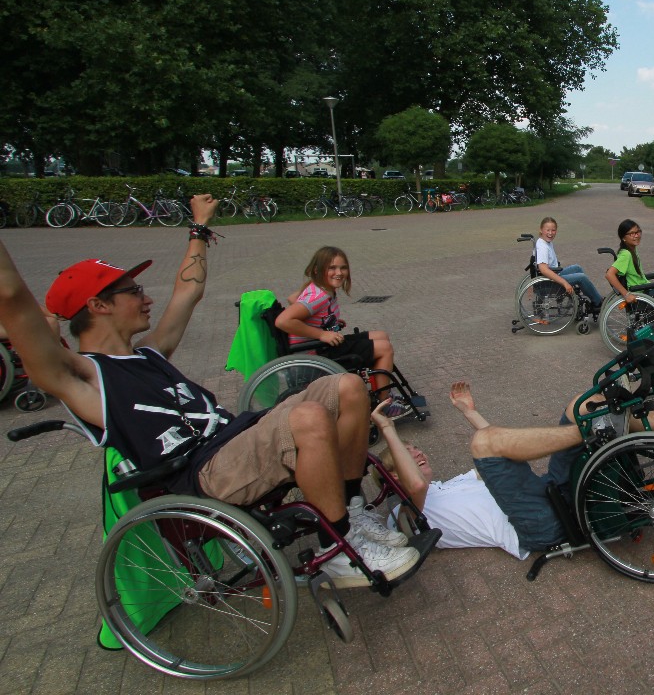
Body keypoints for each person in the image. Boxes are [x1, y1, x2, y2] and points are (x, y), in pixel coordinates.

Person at [0, 198, 418, 588]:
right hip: (202, 471)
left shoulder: (149, 352)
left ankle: (352, 511)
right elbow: (13, 298)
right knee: (307, 418)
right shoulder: (83, 376)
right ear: (98, 305)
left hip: (235, 437)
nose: (147, 298)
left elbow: (189, 291)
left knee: (347, 385)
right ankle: (339, 550)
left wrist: (199, 226)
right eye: (134, 291)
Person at [371, 380, 654, 556]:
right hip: (533, 527)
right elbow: (415, 486)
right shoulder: (407, 516)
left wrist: (470, 412)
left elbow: (499, 447)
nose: (417, 454)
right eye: (405, 457)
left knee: (582, 405)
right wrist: (388, 429)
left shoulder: (449, 485)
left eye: (415, 449)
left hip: (548, 492)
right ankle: (597, 430)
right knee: (482, 444)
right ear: (392, 478)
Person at [276, 246, 405, 411]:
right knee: (384, 348)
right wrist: (321, 333)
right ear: (317, 270)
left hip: (322, 346)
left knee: (381, 335)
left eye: (343, 267)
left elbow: (292, 298)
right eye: (332, 268)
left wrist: (326, 320)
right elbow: (282, 321)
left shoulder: (318, 287)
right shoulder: (319, 297)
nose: (339, 272)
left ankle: (380, 387)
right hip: (316, 353)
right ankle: (384, 405)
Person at [533, 217, 604, 306]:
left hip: (554, 274)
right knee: (582, 277)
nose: (550, 233)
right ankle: (598, 302)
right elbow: (544, 270)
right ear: (541, 230)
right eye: (547, 230)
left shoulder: (544, 241)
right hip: (550, 282)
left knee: (577, 268)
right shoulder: (543, 247)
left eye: (553, 230)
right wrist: (564, 283)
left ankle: (588, 295)